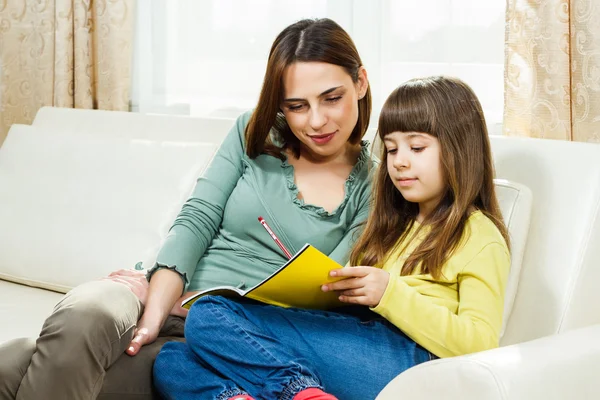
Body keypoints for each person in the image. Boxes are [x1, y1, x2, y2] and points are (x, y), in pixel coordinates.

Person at [0, 18, 374, 400]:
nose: (316, 121)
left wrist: (205, 311)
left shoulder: (378, 185)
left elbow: (322, 292)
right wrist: (158, 307)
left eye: (331, 98)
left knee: (12, 368)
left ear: (360, 82)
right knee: (85, 314)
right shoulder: (253, 134)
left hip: (224, 340)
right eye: (297, 106)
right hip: (161, 291)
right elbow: (198, 218)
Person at [152, 76, 512, 400]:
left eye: (416, 148)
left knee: (208, 316)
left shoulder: (479, 234)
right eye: (391, 149)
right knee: (173, 359)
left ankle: (297, 393)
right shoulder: (392, 224)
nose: (400, 161)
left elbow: (479, 344)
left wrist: (390, 293)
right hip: (356, 343)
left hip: (410, 360)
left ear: (461, 149)